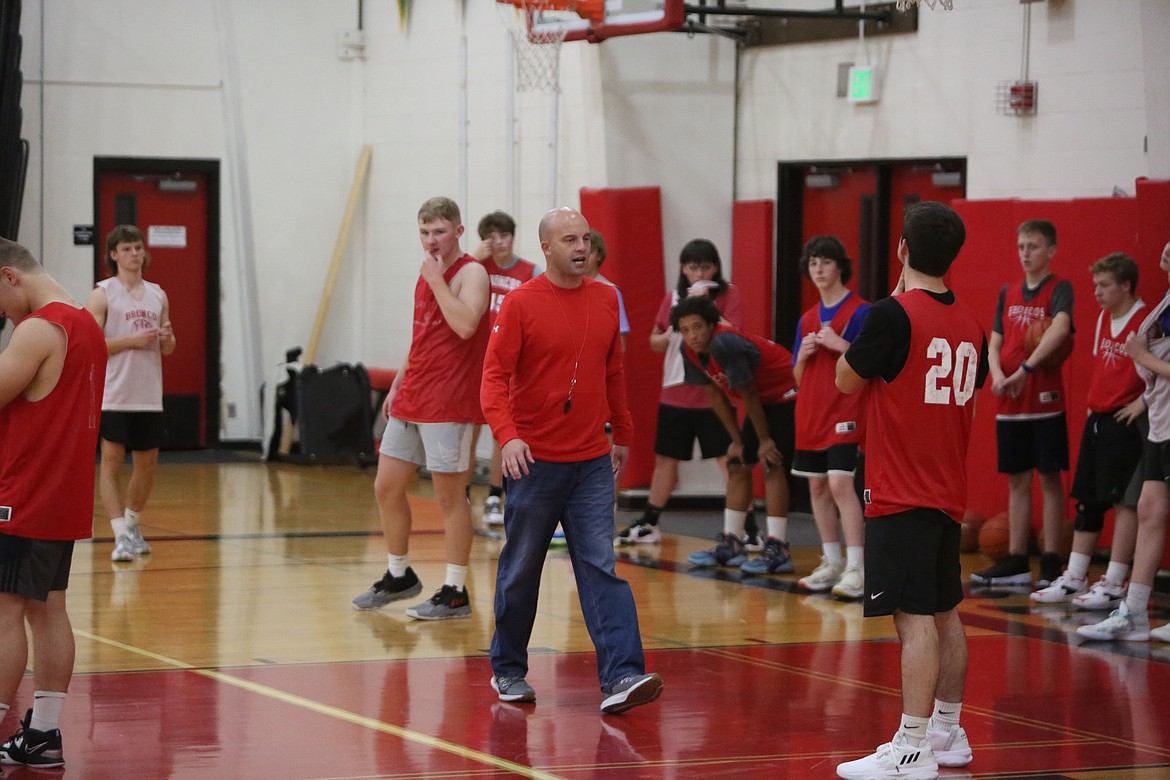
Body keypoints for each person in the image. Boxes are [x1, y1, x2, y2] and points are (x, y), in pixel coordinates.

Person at [481, 206, 663, 714]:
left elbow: (614, 371)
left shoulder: (607, 299)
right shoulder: (520, 304)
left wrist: (622, 432)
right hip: (533, 463)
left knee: (600, 566)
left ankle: (622, 674)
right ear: (545, 247)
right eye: (568, 240)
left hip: (590, 463)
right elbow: (493, 379)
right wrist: (508, 437)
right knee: (521, 570)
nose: (580, 248)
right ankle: (508, 670)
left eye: (584, 239)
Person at [834, 201, 988, 780]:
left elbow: (846, 377)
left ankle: (912, 745)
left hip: (900, 489)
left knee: (914, 618)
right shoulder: (972, 323)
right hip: (948, 487)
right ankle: (949, 729)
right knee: (946, 612)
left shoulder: (891, 314)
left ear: (901, 248)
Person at [351, 197, 491, 620]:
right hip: (415, 391)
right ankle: (399, 575)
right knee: (386, 486)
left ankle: (455, 590)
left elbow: (466, 325)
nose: (431, 240)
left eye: (440, 232)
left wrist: (436, 281)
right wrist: (398, 381)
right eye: (425, 233)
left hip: (451, 398)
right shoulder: (428, 273)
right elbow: (423, 336)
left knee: (450, 497)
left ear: (458, 232)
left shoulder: (471, 273)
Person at [0, 238, 107, 768]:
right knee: (49, 609)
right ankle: (42, 734)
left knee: (4, 609)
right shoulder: (86, 324)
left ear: (9, 276)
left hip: (23, 491)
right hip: (62, 493)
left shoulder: (39, 329)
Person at [1031, 253, 1145, 607]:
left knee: (1125, 503)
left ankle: (1113, 583)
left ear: (1125, 285)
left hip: (1128, 420)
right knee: (1087, 501)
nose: (1096, 291)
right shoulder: (1101, 319)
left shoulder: (1145, 321)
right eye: (1095, 284)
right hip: (1099, 417)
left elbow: (1158, 372)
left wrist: (1142, 405)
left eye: (1104, 285)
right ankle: (1075, 577)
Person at [616, 239, 744, 546]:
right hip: (674, 389)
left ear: (716, 267)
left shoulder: (728, 294)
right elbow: (654, 339)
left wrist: (704, 308)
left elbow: (735, 333)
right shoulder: (673, 297)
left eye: (705, 266)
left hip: (713, 389)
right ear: (683, 269)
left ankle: (745, 526)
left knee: (729, 459)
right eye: (692, 266)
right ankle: (650, 521)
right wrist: (676, 325)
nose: (699, 273)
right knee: (666, 459)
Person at [972, 219, 1074, 589]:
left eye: (1033, 246)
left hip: (1045, 401)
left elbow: (1060, 328)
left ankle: (1050, 561)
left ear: (1051, 250)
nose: (1026, 253)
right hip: (1010, 402)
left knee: (1049, 480)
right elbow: (995, 340)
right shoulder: (1008, 291)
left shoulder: (1060, 288)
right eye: (1021, 247)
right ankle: (1016, 559)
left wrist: (1025, 369)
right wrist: (997, 373)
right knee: (1017, 481)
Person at [1078, 239, 1170, 644]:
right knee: (1149, 509)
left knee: (1142, 507)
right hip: (1161, 421)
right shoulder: (1165, 302)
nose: (1165, 251)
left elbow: (1151, 360)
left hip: (1160, 418)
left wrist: (1142, 357)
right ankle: (1132, 611)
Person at [671, 295, 797, 573]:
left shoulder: (724, 343)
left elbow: (749, 392)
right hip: (763, 402)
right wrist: (737, 441)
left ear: (711, 324)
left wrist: (764, 441)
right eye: (686, 329)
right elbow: (714, 395)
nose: (692, 335)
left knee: (772, 462)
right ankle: (732, 543)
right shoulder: (689, 350)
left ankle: (778, 547)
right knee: (737, 464)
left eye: (698, 327)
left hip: (788, 393)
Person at [85, 225, 176, 563]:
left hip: (148, 393)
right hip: (114, 392)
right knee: (110, 463)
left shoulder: (157, 294)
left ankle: (134, 524)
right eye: (127, 249)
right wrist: (130, 342)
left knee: (147, 464)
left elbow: (169, 346)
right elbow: (91, 346)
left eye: (138, 248)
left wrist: (166, 339)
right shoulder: (102, 294)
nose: (135, 254)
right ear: (114, 254)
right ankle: (119, 533)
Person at [787, 235, 869, 597]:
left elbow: (869, 364)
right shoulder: (806, 319)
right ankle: (832, 560)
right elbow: (797, 378)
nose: (818, 269)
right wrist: (803, 357)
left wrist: (842, 346)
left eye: (825, 261)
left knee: (840, 484)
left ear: (840, 267)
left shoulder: (862, 311)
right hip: (812, 412)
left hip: (846, 410)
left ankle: (857, 566)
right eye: (813, 263)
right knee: (817, 487)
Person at [471, 211, 540, 527]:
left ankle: (495, 494)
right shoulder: (475, 270)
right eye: (491, 237)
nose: (498, 243)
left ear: (513, 236)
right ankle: (465, 490)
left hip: (510, 363)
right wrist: (474, 258)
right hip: (474, 359)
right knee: (469, 428)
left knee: (502, 431)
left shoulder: (529, 271)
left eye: (504, 235)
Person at [584, 229, 629, 351]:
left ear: (599, 255)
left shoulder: (611, 291)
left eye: (590, 251)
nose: (585, 256)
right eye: (583, 251)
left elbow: (621, 343)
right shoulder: (568, 289)